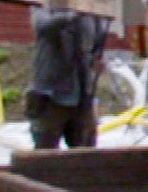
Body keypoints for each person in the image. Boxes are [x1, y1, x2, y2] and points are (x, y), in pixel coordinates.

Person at [27, 8, 108, 150]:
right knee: (44, 152)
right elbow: (44, 27)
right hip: (51, 95)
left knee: (86, 153)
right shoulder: (45, 7)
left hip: (82, 96)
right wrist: (74, 15)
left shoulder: (91, 17)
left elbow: (95, 45)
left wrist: (95, 60)